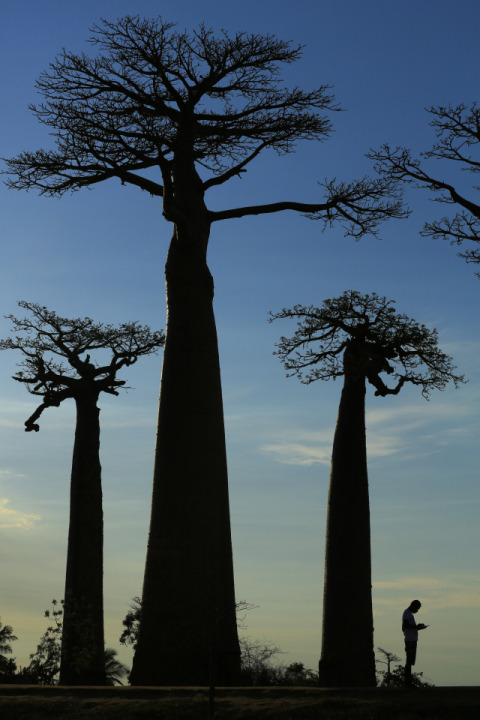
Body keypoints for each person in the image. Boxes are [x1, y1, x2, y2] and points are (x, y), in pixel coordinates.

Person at [402, 599, 428, 687]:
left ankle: (408, 682)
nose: (417, 610)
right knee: (409, 661)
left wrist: (417, 627)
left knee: (410, 661)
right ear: (413, 606)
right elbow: (405, 626)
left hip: (411, 640)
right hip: (410, 641)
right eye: (417, 608)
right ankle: (408, 683)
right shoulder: (407, 613)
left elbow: (408, 627)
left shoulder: (408, 614)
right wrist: (416, 627)